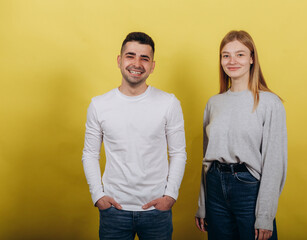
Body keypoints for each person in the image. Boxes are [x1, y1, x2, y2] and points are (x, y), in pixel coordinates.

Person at [82, 32, 187, 240]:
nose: (137, 63)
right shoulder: (99, 105)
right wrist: (98, 196)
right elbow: (89, 153)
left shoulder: (169, 103)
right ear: (120, 60)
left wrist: (170, 196)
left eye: (144, 58)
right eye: (130, 56)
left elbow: (178, 153)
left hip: (157, 211)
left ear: (152, 66)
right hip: (114, 211)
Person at [195, 30, 287, 240]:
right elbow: (206, 159)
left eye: (240, 54)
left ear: (252, 58)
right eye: (226, 55)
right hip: (215, 188)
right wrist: (203, 204)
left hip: (249, 188)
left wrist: (265, 215)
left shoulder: (269, 103)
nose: (232, 61)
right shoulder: (213, 103)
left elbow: (274, 163)